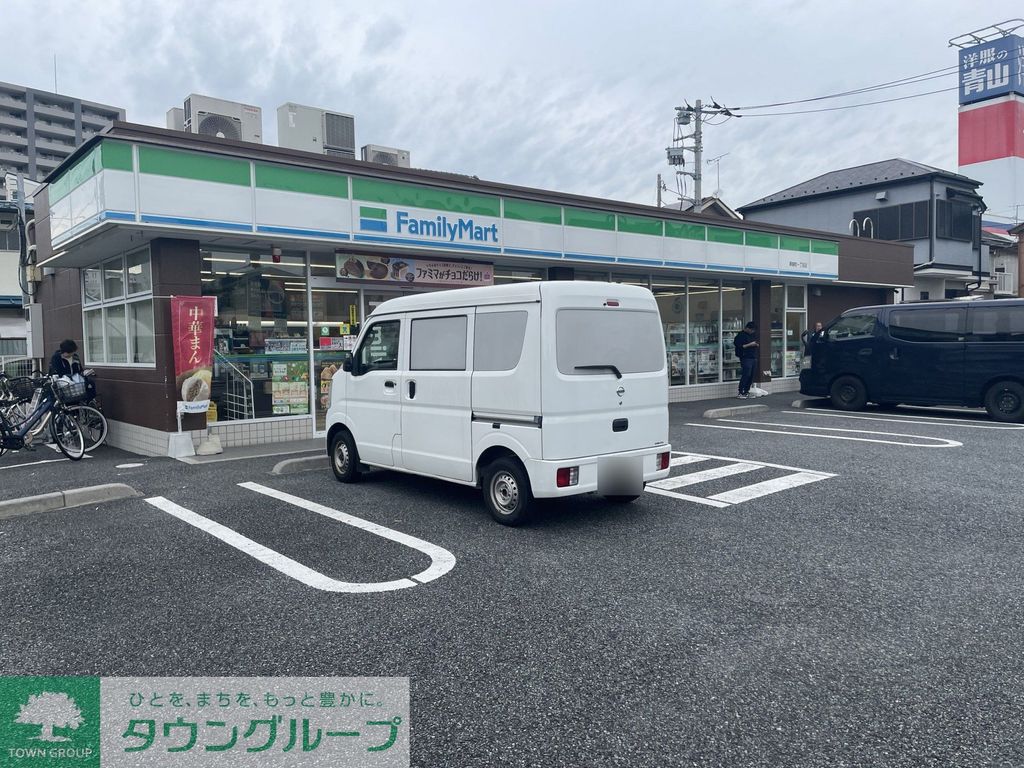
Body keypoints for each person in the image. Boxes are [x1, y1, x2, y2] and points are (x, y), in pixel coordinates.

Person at [733, 321, 759, 399]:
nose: (752, 332)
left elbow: (756, 342)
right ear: (747, 328)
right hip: (745, 357)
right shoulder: (740, 336)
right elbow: (739, 346)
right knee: (746, 374)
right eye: (751, 330)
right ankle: (741, 392)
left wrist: (756, 344)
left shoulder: (752, 335)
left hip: (753, 356)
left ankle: (747, 391)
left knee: (751, 375)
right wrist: (750, 344)